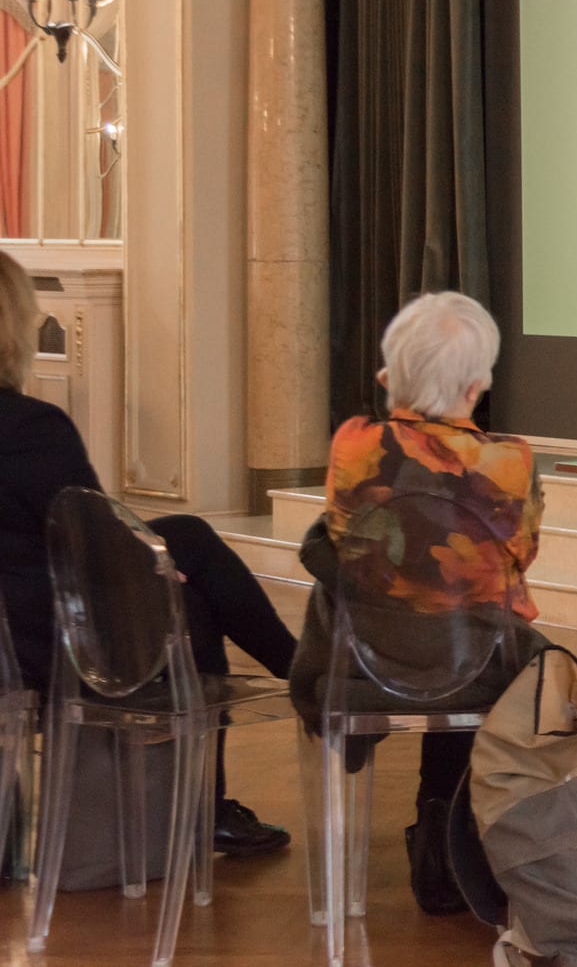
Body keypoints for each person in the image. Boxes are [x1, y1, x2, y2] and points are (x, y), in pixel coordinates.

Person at [0, 251, 297, 857]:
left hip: (10, 638)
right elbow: (90, 547)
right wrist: (151, 565)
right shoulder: (31, 428)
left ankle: (295, 681)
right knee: (187, 566)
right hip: (45, 650)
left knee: (182, 554)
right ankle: (300, 682)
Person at [290, 290, 544, 915]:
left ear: (387, 375)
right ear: (479, 383)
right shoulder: (510, 462)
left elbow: (351, 547)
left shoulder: (353, 446)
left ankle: (437, 840)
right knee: (472, 633)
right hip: (474, 667)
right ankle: (453, 842)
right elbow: (520, 558)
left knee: (431, 622)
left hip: (365, 664)